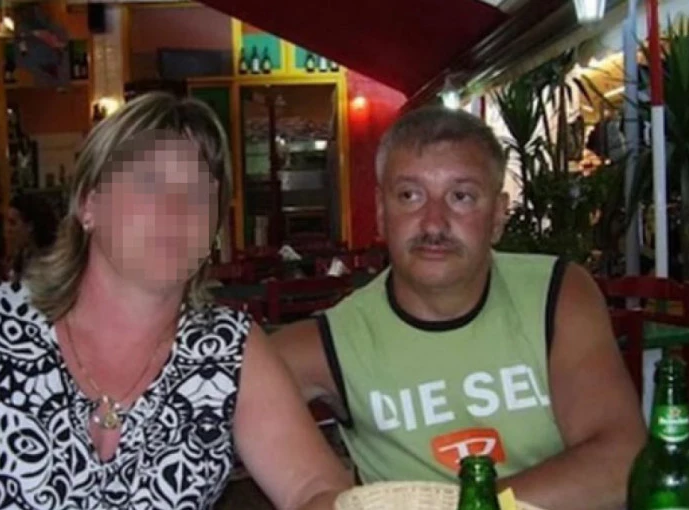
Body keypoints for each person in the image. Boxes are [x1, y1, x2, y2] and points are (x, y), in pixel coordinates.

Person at [0, 92, 351, 509]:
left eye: (199, 193)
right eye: (149, 183)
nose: (177, 209)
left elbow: (315, 487)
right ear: (88, 204)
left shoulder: (227, 350)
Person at [272, 107, 646, 510]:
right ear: (381, 212)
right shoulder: (331, 341)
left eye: (461, 196)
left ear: (498, 215)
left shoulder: (556, 294)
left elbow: (622, 463)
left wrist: (473, 507)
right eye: (410, 196)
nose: (433, 224)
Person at [4, 193, 59, 282]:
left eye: (12, 223)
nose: (7, 229)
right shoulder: (22, 256)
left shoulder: (50, 262)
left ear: (30, 226)